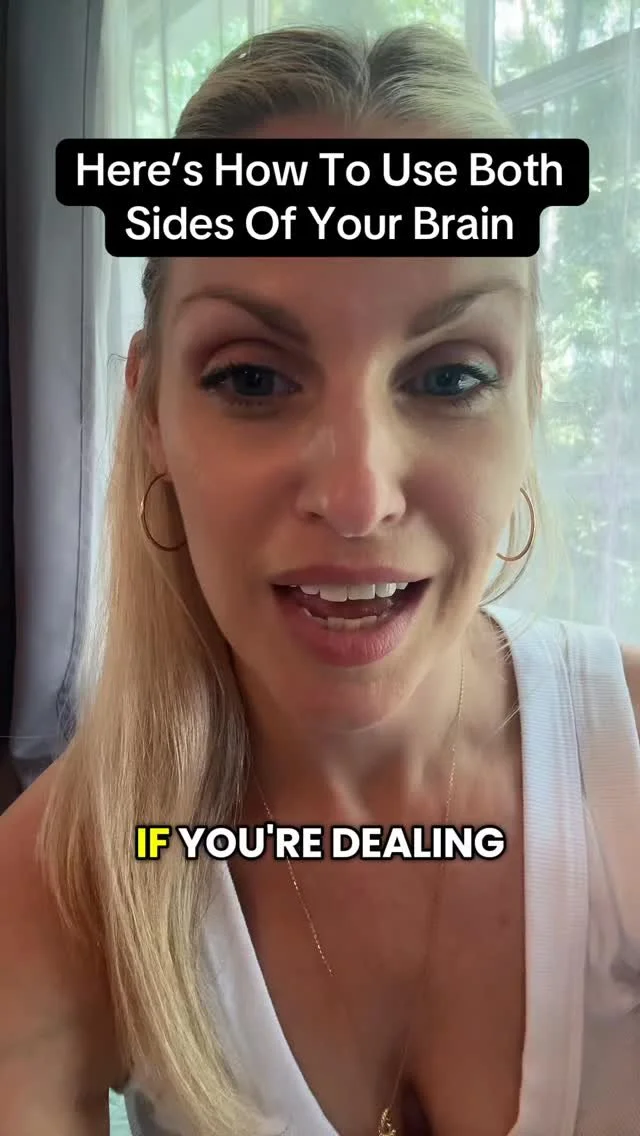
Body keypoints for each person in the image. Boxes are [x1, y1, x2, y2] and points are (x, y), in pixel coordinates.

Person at [1, 21, 639, 1136]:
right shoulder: (65, 879)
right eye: (252, 377)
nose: (356, 497)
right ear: (151, 411)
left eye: (449, 375)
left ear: (531, 393)